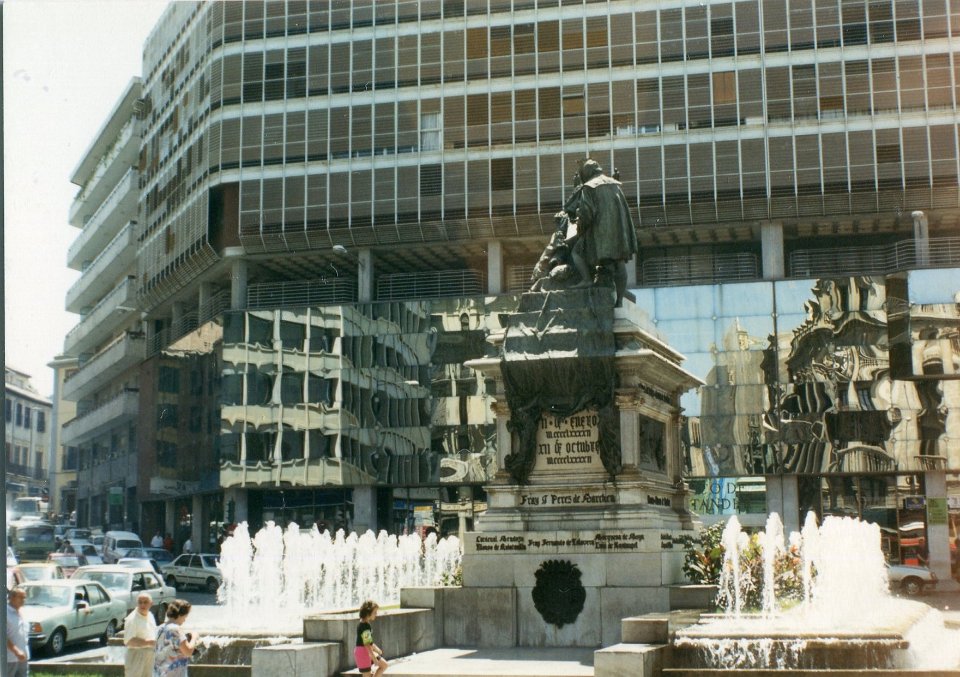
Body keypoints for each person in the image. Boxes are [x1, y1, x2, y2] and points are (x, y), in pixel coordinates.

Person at [569, 159, 638, 307]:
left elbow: (587, 213)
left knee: (576, 252)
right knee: (619, 263)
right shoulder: (614, 184)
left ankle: (587, 279)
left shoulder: (589, 187)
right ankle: (619, 301)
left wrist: (580, 229)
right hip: (618, 231)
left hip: (599, 234)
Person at [154, 599, 197, 677]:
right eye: (185, 616)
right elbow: (188, 651)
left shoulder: (160, 628)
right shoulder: (175, 629)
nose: (185, 620)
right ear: (180, 614)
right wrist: (194, 637)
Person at [123, 593, 156, 677]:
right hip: (136, 656)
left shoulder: (150, 615)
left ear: (151, 603)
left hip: (150, 656)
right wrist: (150, 642)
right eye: (140, 602)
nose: (142, 605)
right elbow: (129, 641)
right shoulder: (132, 619)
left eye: (145, 602)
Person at [355, 600, 388, 676]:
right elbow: (367, 644)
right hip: (363, 652)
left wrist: (377, 649)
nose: (376, 614)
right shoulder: (364, 626)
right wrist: (374, 658)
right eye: (374, 612)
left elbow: (369, 642)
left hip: (367, 651)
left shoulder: (365, 624)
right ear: (368, 613)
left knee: (384, 665)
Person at [6, 587, 29, 677]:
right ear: (12, 597)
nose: (23, 600)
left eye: (24, 598)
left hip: (23, 656)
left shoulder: (23, 611)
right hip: (9, 658)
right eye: (21, 597)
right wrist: (16, 651)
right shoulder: (4, 613)